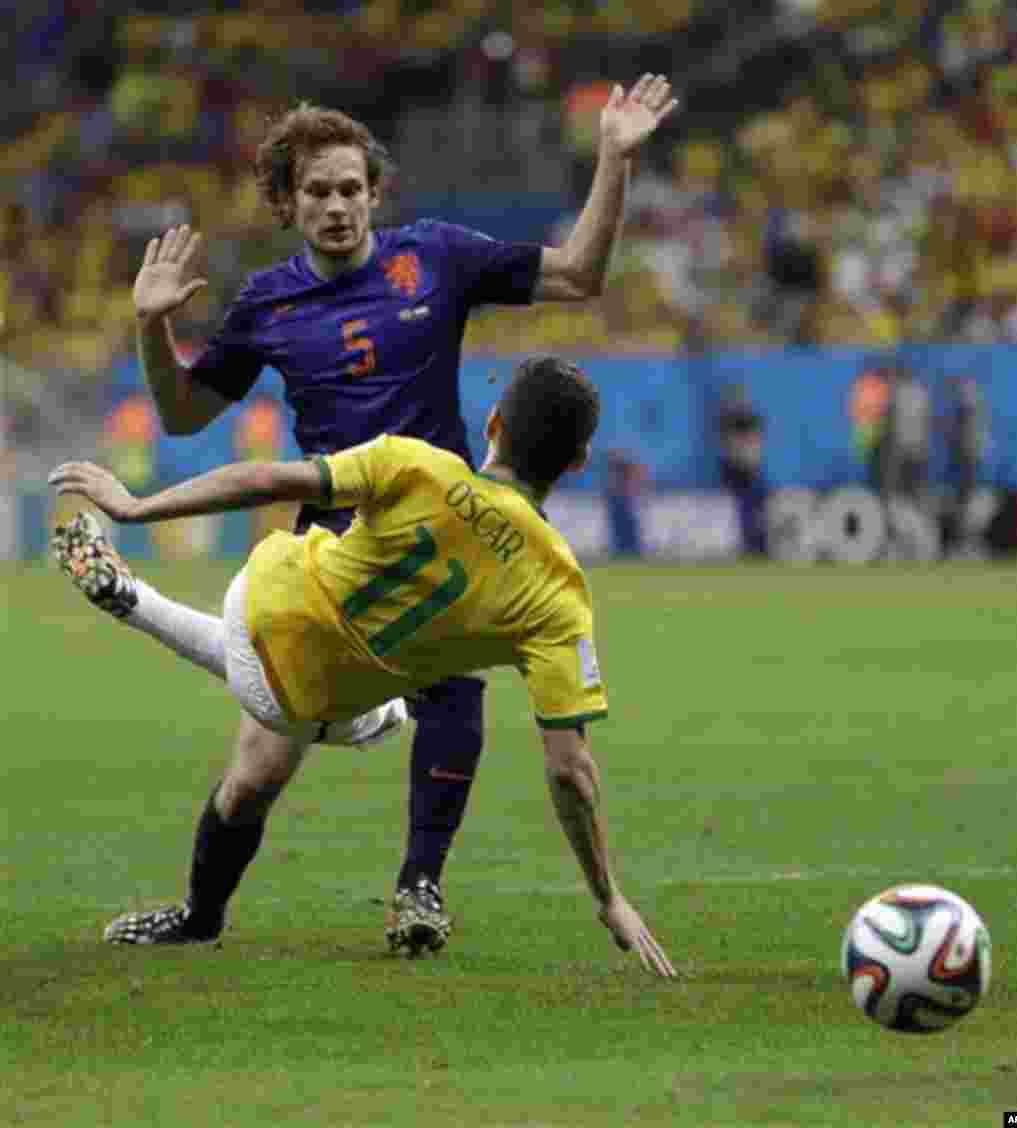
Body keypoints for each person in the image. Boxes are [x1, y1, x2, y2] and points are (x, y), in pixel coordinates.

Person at [122, 73, 677, 955]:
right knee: (257, 772)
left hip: (442, 527)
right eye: (317, 192)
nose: (337, 206)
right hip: (330, 546)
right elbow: (185, 413)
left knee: (456, 685)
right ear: (287, 202)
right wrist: (153, 331)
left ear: (376, 192)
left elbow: (579, 273)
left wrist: (613, 158)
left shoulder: (437, 257)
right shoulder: (267, 303)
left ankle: (421, 887)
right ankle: (201, 915)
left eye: (351, 189)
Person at [50, 356, 677, 979]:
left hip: (256, 600)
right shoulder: (559, 593)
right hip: (305, 703)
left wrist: (136, 509)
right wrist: (607, 896)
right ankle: (417, 876)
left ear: (493, 425)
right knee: (390, 717)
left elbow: (267, 480)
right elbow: (572, 771)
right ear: (577, 463)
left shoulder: (415, 462)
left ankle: (137, 603)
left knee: (293, 668)